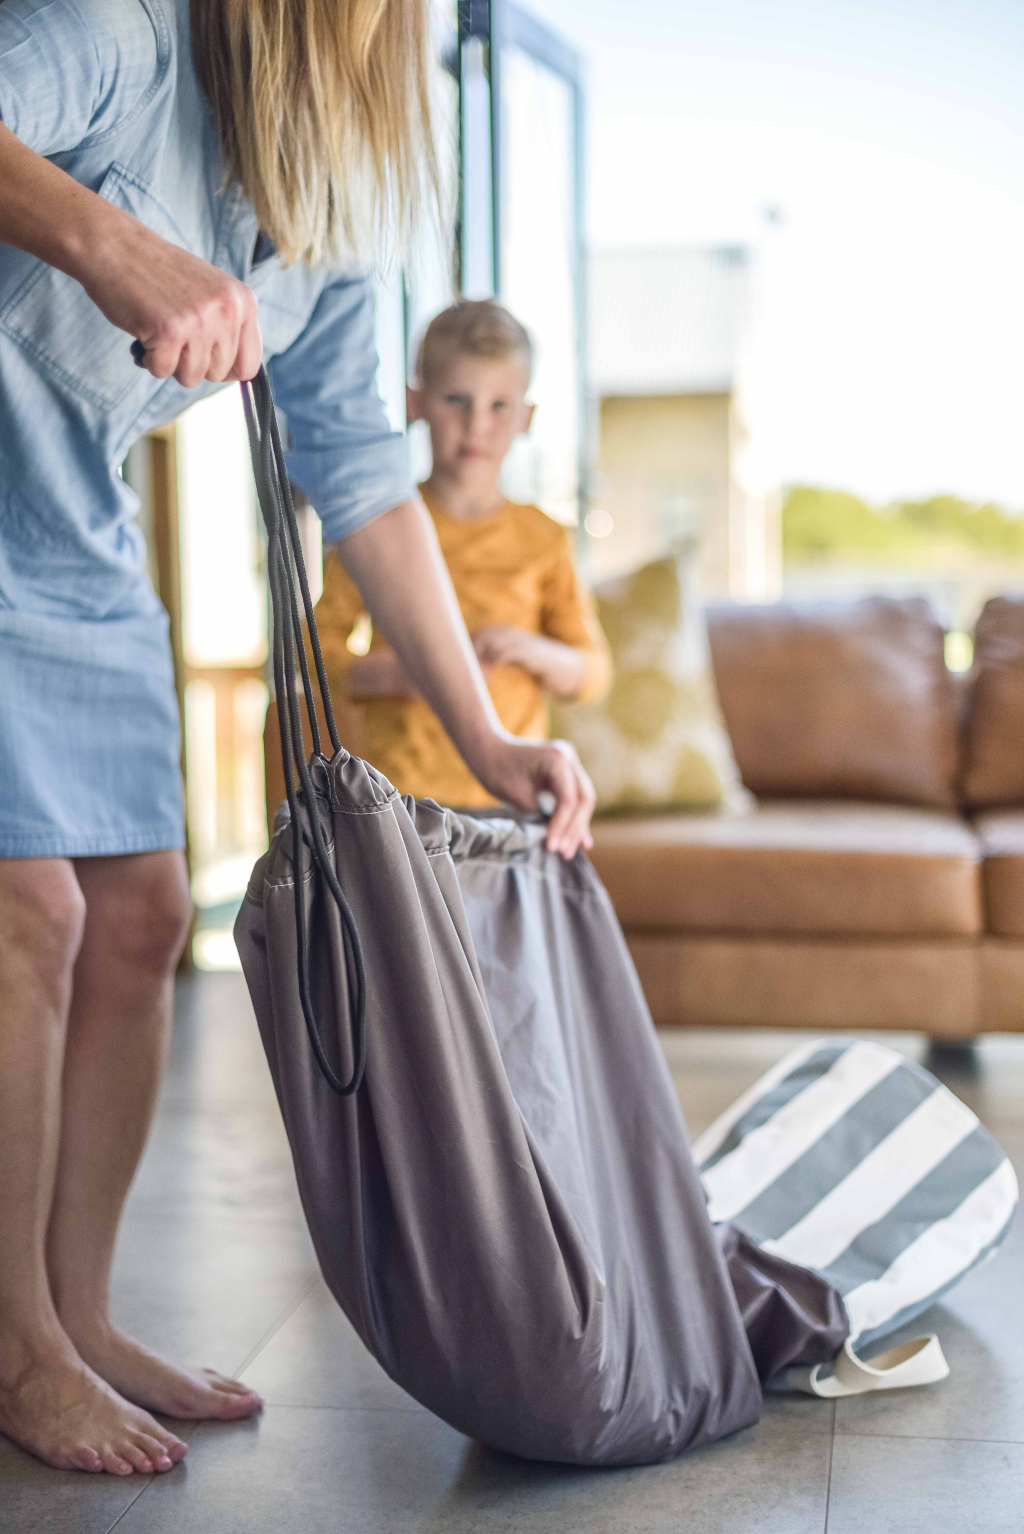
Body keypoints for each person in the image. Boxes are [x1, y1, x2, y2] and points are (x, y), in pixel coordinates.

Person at [0, 0, 593, 1479]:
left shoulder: (341, 190)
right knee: (34, 908)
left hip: (71, 523)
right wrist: (107, 239)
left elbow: (361, 472)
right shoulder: (122, 33)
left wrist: (485, 727)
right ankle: (14, 1348)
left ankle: (73, 1313)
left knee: (139, 918)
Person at [312, 299, 612, 807]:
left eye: (498, 405)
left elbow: (591, 673)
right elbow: (320, 653)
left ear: (526, 416)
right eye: (456, 399)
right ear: (416, 403)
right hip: (402, 797)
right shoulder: (379, 529)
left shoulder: (544, 538)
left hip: (513, 795)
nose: (477, 424)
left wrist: (529, 648)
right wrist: (402, 670)